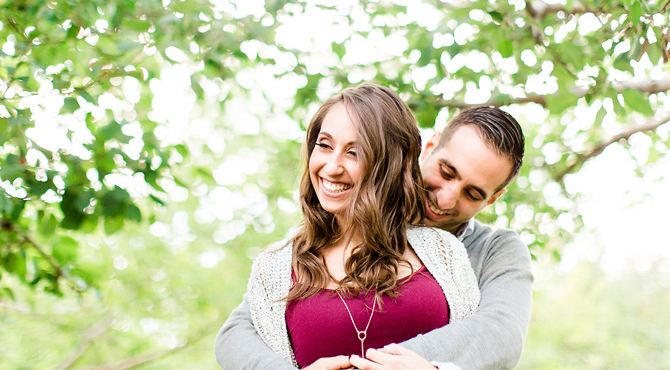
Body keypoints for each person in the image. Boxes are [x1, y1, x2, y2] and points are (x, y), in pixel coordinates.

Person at [215, 102, 533, 370]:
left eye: (473, 193)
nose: (446, 199)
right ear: (430, 147)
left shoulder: (494, 250)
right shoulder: (333, 229)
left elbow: (500, 334)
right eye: (447, 172)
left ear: (493, 198)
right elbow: (240, 330)